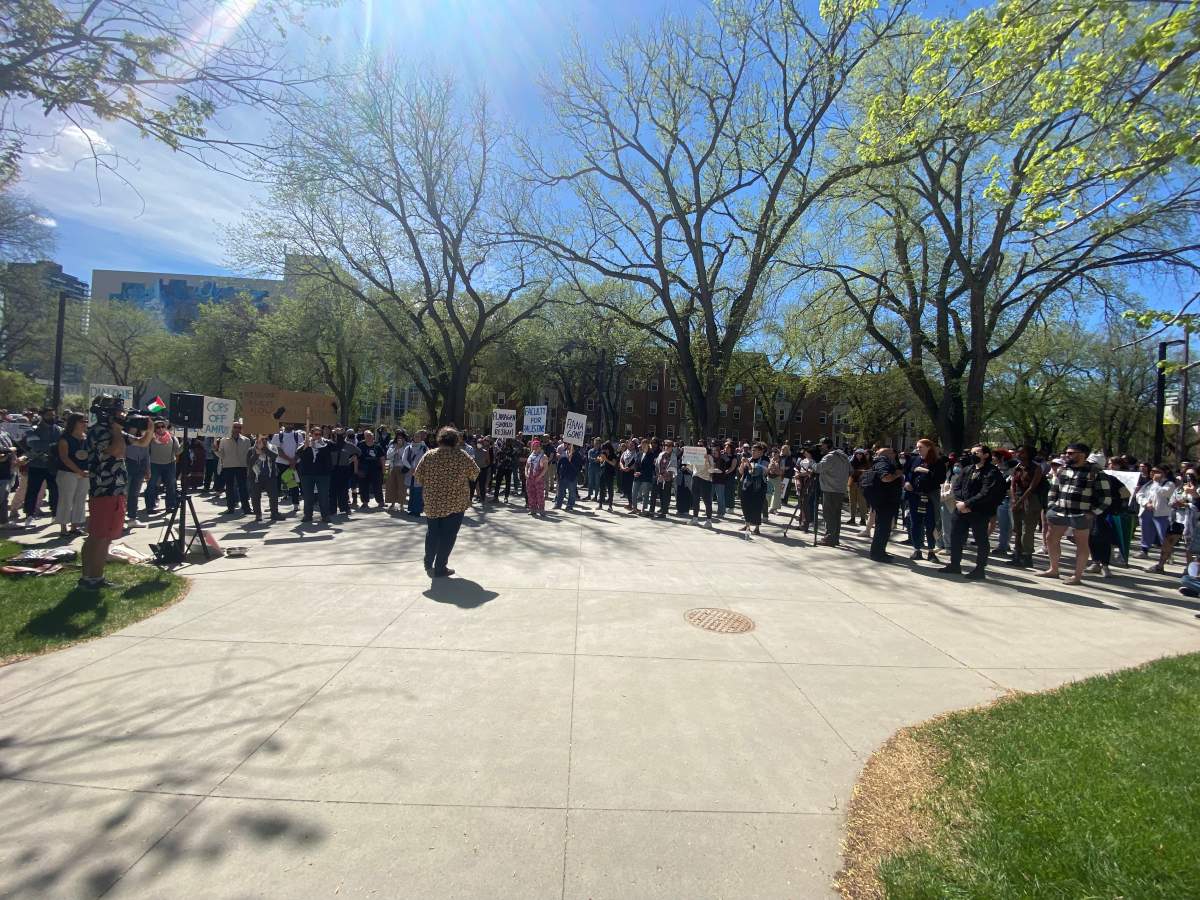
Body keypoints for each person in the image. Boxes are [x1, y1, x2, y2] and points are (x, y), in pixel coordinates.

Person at [79, 394, 153, 589]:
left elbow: (142, 442)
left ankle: (90, 576)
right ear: (108, 414)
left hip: (115, 489)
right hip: (104, 489)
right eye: (119, 411)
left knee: (101, 535)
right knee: (99, 536)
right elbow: (118, 451)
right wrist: (118, 429)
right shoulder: (100, 432)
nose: (123, 415)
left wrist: (150, 426)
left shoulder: (115, 432)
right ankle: (93, 578)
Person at [1036, 442, 1112, 585]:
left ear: (1082, 455)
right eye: (1067, 453)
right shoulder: (1063, 470)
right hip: (1059, 511)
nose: (1066, 455)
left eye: (1071, 453)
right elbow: (1054, 490)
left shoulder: (1096, 473)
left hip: (1081, 514)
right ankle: (1053, 569)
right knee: (1051, 539)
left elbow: (1106, 498)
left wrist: (1093, 512)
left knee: (1082, 543)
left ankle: (1077, 576)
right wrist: (1051, 506)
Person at [413, 426, 479, 577]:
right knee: (448, 536)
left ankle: (428, 561)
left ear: (440, 439)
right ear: (456, 440)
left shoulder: (429, 455)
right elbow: (475, 473)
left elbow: (418, 476)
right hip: (455, 503)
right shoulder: (461, 456)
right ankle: (440, 567)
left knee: (432, 533)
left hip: (432, 502)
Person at [940, 445, 1006, 580]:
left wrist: (968, 504)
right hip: (961, 509)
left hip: (979, 511)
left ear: (986, 455)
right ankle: (954, 565)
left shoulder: (992, 472)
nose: (973, 455)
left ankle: (980, 569)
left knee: (981, 539)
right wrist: (959, 502)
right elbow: (957, 486)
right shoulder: (968, 469)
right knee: (955, 536)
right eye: (972, 453)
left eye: (977, 453)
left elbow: (986, 492)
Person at [902, 439, 946, 561]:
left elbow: (941, 479)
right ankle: (917, 550)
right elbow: (907, 474)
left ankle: (931, 551)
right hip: (914, 496)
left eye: (920, 447)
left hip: (930, 497)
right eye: (917, 447)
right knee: (915, 523)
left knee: (930, 524)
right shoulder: (914, 460)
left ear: (929, 447)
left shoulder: (938, 462)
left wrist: (927, 471)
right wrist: (906, 483)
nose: (918, 449)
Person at [19, 408, 62, 525]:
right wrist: (52, 447)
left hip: (52, 465)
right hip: (36, 465)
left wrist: (50, 447)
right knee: (32, 491)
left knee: (55, 491)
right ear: (42, 416)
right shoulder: (33, 429)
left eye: (53, 415)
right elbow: (34, 445)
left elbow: (61, 445)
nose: (52, 417)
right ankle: (29, 515)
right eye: (49, 415)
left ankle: (55, 514)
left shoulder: (57, 429)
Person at [863, 446, 904, 562]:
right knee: (882, 528)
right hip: (885, 501)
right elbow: (885, 478)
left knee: (884, 528)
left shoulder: (882, 462)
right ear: (887, 455)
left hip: (885, 500)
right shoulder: (882, 463)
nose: (894, 455)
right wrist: (897, 474)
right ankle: (877, 554)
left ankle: (880, 551)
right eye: (892, 453)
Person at [1007, 444, 1045, 568]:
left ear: (1029, 454)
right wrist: (1013, 499)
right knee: (1017, 529)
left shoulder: (1036, 468)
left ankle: (1027, 556)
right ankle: (1017, 554)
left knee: (1027, 530)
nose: (1018, 454)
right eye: (1018, 452)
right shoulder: (1018, 467)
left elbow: (1032, 487)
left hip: (1031, 500)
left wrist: (1020, 502)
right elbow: (1012, 484)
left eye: (1022, 452)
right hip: (1017, 499)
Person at [53, 412, 90, 535]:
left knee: (80, 499)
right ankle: (63, 528)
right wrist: (78, 471)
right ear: (74, 423)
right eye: (82, 421)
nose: (85, 423)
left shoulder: (86, 438)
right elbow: (64, 458)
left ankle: (75, 526)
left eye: (86, 421)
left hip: (84, 473)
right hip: (67, 473)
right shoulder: (65, 438)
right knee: (66, 500)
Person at [815, 439, 851, 548]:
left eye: (821, 446)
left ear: (827, 445)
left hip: (830, 489)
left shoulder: (829, 457)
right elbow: (851, 470)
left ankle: (829, 538)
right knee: (836, 515)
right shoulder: (844, 456)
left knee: (829, 514)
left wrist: (811, 462)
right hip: (840, 489)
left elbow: (817, 469)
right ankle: (835, 538)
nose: (820, 448)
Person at [1135, 466, 1174, 559]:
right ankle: (1144, 551)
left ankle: (1166, 555)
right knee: (1146, 532)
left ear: (1163, 473)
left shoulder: (1169, 484)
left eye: (1156, 471)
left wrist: (1156, 483)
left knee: (1162, 535)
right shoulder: (1148, 484)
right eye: (1152, 471)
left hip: (1161, 513)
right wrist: (1145, 503)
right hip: (1146, 511)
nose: (1153, 473)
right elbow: (1139, 495)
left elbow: (1164, 493)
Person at [297, 425, 333, 524]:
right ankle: (308, 515)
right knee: (308, 496)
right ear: (311, 434)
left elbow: (336, 447)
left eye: (320, 434)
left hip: (323, 474)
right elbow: (298, 453)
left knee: (323, 496)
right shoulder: (305, 443)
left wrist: (338, 435)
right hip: (307, 474)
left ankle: (325, 516)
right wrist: (306, 445)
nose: (318, 436)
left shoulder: (326, 443)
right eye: (316, 434)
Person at [144, 419, 181, 516]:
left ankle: (170, 506)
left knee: (171, 486)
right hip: (154, 464)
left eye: (162, 426)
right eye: (158, 427)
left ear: (165, 427)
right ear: (154, 429)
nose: (160, 429)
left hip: (170, 464)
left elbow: (177, 452)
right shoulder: (150, 438)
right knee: (151, 486)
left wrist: (185, 444)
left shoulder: (172, 438)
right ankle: (150, 507)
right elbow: (146, 452)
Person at [248, 434, 282, 522]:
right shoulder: (251, 450)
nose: (264, 441)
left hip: (270, 477)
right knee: (255, 497)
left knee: (274, 496)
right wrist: (256, 454)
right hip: (255, 477)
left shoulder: (272, 447)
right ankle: (258, 514)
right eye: (261, 439)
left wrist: (264, 449)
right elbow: (249, 463)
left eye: (265, 439)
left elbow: (274, 456)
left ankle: (274, 513)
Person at [737, 442, 768, 534]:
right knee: (745, 505)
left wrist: (748, 464)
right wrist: (743, 463)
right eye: (752, 450)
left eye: (755, 450)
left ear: (761, 452)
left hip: (759, 487)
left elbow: (755, 471)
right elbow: (741, 472)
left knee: (757, 506)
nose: (752, 452)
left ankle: (757, 527)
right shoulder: (749, 459)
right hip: (747, 486)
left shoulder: (765, 460)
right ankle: (747, 525)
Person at [330, 428, 360, 517]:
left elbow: (358, 452)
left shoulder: (349, 445)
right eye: (337, 435)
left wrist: (351, 459)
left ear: (344, 436)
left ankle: (345, 508)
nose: (339, 437)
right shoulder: (331, 445)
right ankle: (332, 509)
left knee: (343, 490)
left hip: (344, 469)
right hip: (333, 469)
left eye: (341, 435)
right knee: (332, 491)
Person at [274, 423, 304, 507]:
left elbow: (300, 449)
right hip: (281, 464)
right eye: (286, 423)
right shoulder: (277, 436)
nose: (288, 424)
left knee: (293, 484)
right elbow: (278, 451)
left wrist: (293, 461)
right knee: (277, 485)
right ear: (283, 424)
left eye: (289, 422)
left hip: (294, 463)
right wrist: (291, 460)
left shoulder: (298, 435)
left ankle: (295, 504)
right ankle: (273, 506)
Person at [688, 442, 717, 527]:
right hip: (695, 478)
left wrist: (707, 461)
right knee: (695, 500)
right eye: (699, 446)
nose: (700, 447)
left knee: (707, 501)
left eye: (701, 446)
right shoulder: (695, 456)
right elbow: (691, 468)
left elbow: (712, 470)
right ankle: (695, 519)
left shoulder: (709, 457)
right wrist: (686, 462)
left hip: (705, 480)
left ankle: (709, 521)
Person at [401, 429, 429, 516]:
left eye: (419, 437)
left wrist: (419, 469)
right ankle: (411, 509)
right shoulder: (408, 448)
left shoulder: (425, 448)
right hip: (410, 472)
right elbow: (404, 459)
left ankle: (417, 511)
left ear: (421, 438)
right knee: (412, 491)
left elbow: (427, 460)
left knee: (418, 492)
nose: (417, 438)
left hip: (420, 473)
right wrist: (410, 468)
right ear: (413, 437)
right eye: (416, 436)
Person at [357, 430, 386, 510]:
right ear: (364, 437)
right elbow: (356, 458)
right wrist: (356, 469)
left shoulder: (378, 446)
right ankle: (365, 503)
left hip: (376, 470)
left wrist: (383, 469)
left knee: (377, 486)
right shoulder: (360, 446)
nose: (369, 437)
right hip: (363, 469)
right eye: (367, 435)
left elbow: (382, 458)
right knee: (363, 487)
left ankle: (380, 502)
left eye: (370, 435)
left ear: (373, 436)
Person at [554, 441, 585, 510]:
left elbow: (578, 467)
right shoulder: (564, 452)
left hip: (572, 476)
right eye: (566, 444)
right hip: (563, 475)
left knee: (572, 492)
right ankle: (558, 505)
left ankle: (570, 506)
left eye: (568, 444)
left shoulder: (577, 455)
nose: (566, 445)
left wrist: (570, 460)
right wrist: (558, 472)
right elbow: (560, 462)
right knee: (560, 491)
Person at [385, 431, 409, 511]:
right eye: (398, 437)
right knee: (392, 486)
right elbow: (388, 455)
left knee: (402, 487)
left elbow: (405, 457)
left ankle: (401, 504)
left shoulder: (408, 446)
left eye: (401, 437)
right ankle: (392, 504)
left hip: (402, 468)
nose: (399, 439)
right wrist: (396, 448)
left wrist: (401, 447)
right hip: (392, 467)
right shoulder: (392, 444)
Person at [525, 438, 548, 516]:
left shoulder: (543, 456)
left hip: (538, 478)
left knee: (540, 495)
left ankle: (541, 510)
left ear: (540, 447)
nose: (535, 447)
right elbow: (527, 466)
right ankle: (532, 509)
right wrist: (526, 473)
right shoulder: (531, 455)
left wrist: (540, 476)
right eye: (534, 446)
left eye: (537, 446)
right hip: (530, 478)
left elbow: (545, 468)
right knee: (531, 494)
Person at [847, 449, 870, 526]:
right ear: (855, 454)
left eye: (861, 454)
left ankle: (863, 519)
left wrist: (858, 472)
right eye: (857, 454)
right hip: (852, 483)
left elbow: (867, 472)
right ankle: (852, 518)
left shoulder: (866, 463)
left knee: (862, 502)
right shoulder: (851, 462)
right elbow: (850, 472)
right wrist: (859, 471)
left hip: (862, 485)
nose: (859, 455)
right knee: (852, 501)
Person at [595, 440, 617, 511]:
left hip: (610, 474)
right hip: (603, 473)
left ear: (609, 449)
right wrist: (600, 459)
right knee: (601, 489)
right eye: (604, 449)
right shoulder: (603, 453)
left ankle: (610, 506)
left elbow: (613, 464)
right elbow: (601, 460)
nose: (604, 451)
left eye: (605, 449)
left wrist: (606, 459)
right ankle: (600, 505)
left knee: (610, 490)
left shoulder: (613, 455)